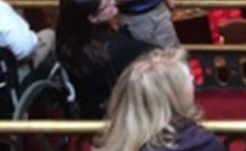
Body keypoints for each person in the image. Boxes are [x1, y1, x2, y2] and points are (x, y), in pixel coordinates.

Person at [54, 0, 154, 119]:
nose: (113, 2)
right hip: (121, 113)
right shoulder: (117, 48)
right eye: (106, 5)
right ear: (92, 18)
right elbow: (156, 54)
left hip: (90, 109)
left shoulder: (65, 40)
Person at [95, 49, 224, 151]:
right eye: (187, 79)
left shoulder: (113, 143)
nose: (192, 80)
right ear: (175, 97)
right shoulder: (204, 145)